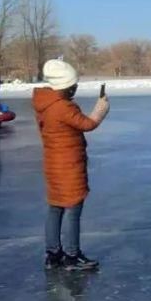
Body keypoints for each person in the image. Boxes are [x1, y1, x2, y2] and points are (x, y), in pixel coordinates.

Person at [32, 59, 109, 271]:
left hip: (53, 163)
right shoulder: (62, 107)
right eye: (73, 85)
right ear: (65, 86)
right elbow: (87, 123)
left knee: (55, 207)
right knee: (74, 208)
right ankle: (72, 255)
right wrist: (101, 109)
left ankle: (53, 254)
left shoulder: (45, 103)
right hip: (68, 165)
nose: (75, 89)